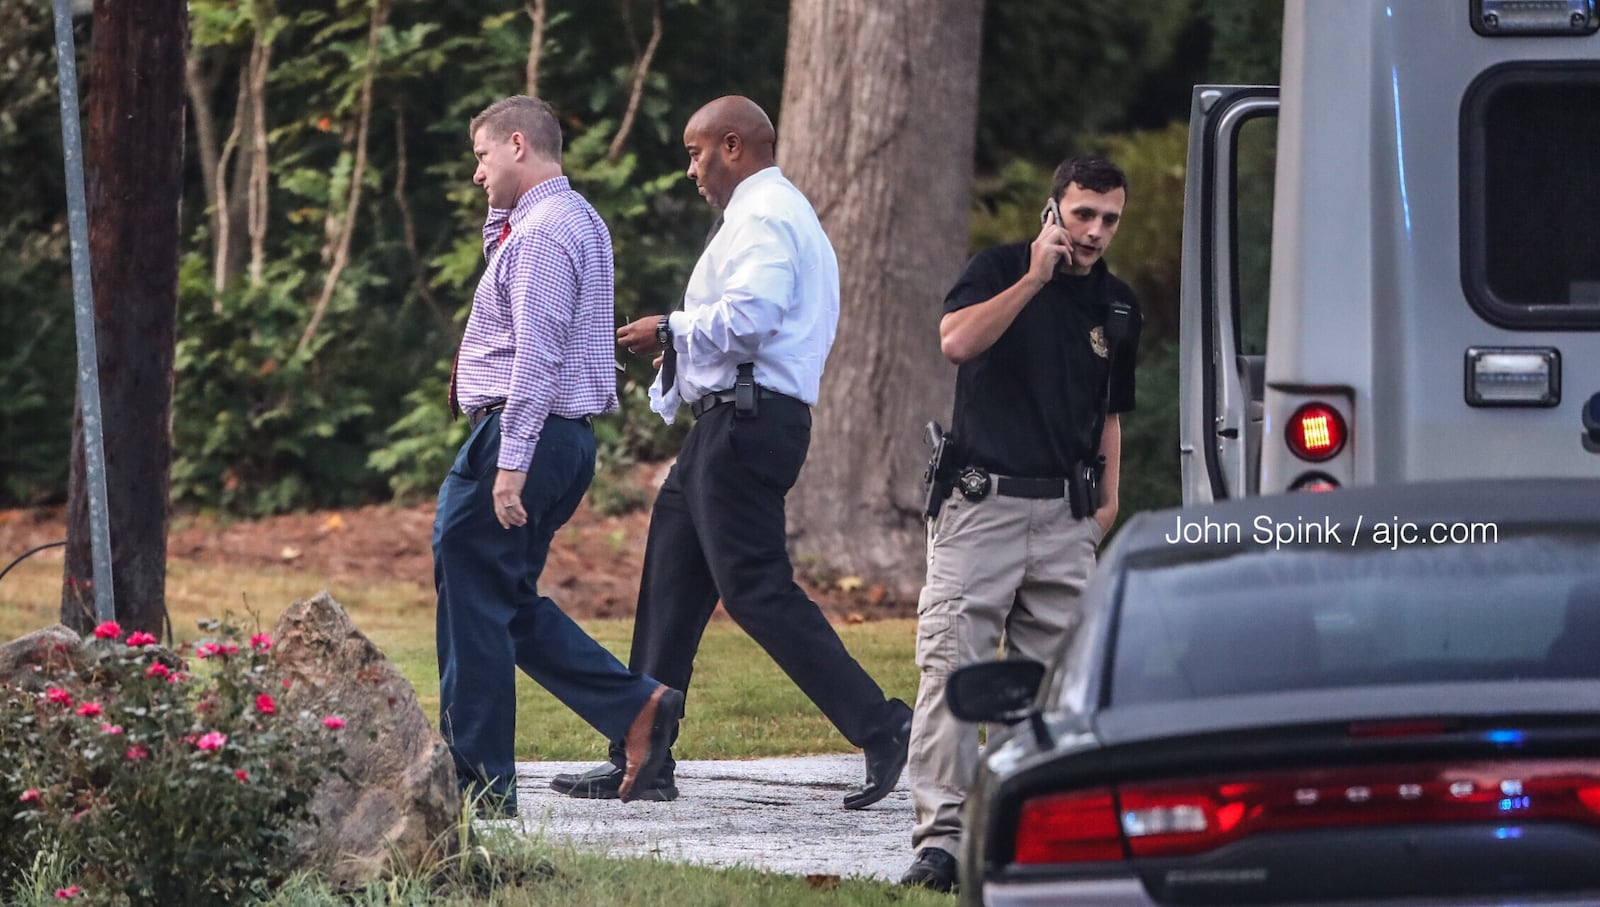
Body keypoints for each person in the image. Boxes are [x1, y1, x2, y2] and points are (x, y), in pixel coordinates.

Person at [548, 95, 912, 808]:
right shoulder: (758, 216)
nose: (692, 169)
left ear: (734, 146)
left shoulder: (766, 215)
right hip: (729, 424)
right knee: (671, 583)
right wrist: (675, 352)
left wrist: (670, 328)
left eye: (696, 152)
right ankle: (641, 752)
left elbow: (750, 318)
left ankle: (882, 723)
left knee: (754, 588)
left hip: (748, 426)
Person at [433, 95, 682, 817]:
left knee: (473, 591)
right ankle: (635, 707)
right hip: (560, 438)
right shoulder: (569, 219)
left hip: (525, 431)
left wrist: (510, 463)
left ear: (518, 144)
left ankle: (480, 785)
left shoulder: (543, 233)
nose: (477, 173)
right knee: (501, 598)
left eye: (483, 156)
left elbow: (537, 354)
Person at [899, 156, 1141, 891]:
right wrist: (1034, 277)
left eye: (1109, 219)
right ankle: (941, 839)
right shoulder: (997, 268)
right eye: (1083, 215)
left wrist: (1107, 503)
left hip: (1066, 516)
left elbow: (1110, 411)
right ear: (1053, 209)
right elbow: (957, 342)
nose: (1096, 231)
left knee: (1054, 685)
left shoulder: (1118, 305)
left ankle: (1027, 827)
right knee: (953, 671)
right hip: (984, 506)